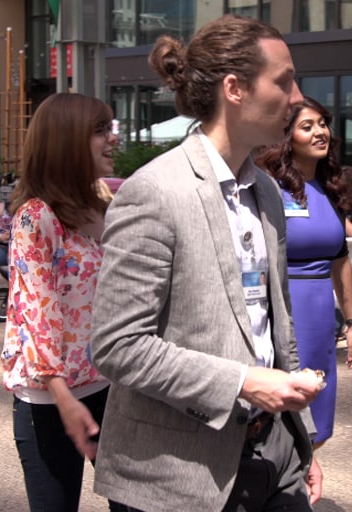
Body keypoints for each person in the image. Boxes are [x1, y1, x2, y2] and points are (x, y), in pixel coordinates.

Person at [90, 15, 325, 512]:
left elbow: (274, 325)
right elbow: (118, 346)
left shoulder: (265, 189)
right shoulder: (154, 192)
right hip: (177, 476)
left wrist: (299, 440)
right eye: (283, 81)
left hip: (275, 454)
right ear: (235, 88)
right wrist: (243, 383)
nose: (297, 96)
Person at [2, 93, 119, 512]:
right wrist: (63, 397)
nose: (112, 140)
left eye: (110, 128)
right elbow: (36, 313)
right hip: (51, 402)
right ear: (67, 140)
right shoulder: (36, 217)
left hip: (110, 386)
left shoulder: (104, 203)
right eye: (100, 130)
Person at [256, 96, 352, 448]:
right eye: (307, 126)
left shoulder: (331, 188)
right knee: (280, 410)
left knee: (317, 406)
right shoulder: (268, 187)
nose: (320, 132)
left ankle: (299, 482)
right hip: (281, 311)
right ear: (288, 138)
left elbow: (340, 259)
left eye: (323, 124)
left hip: (320, 316)